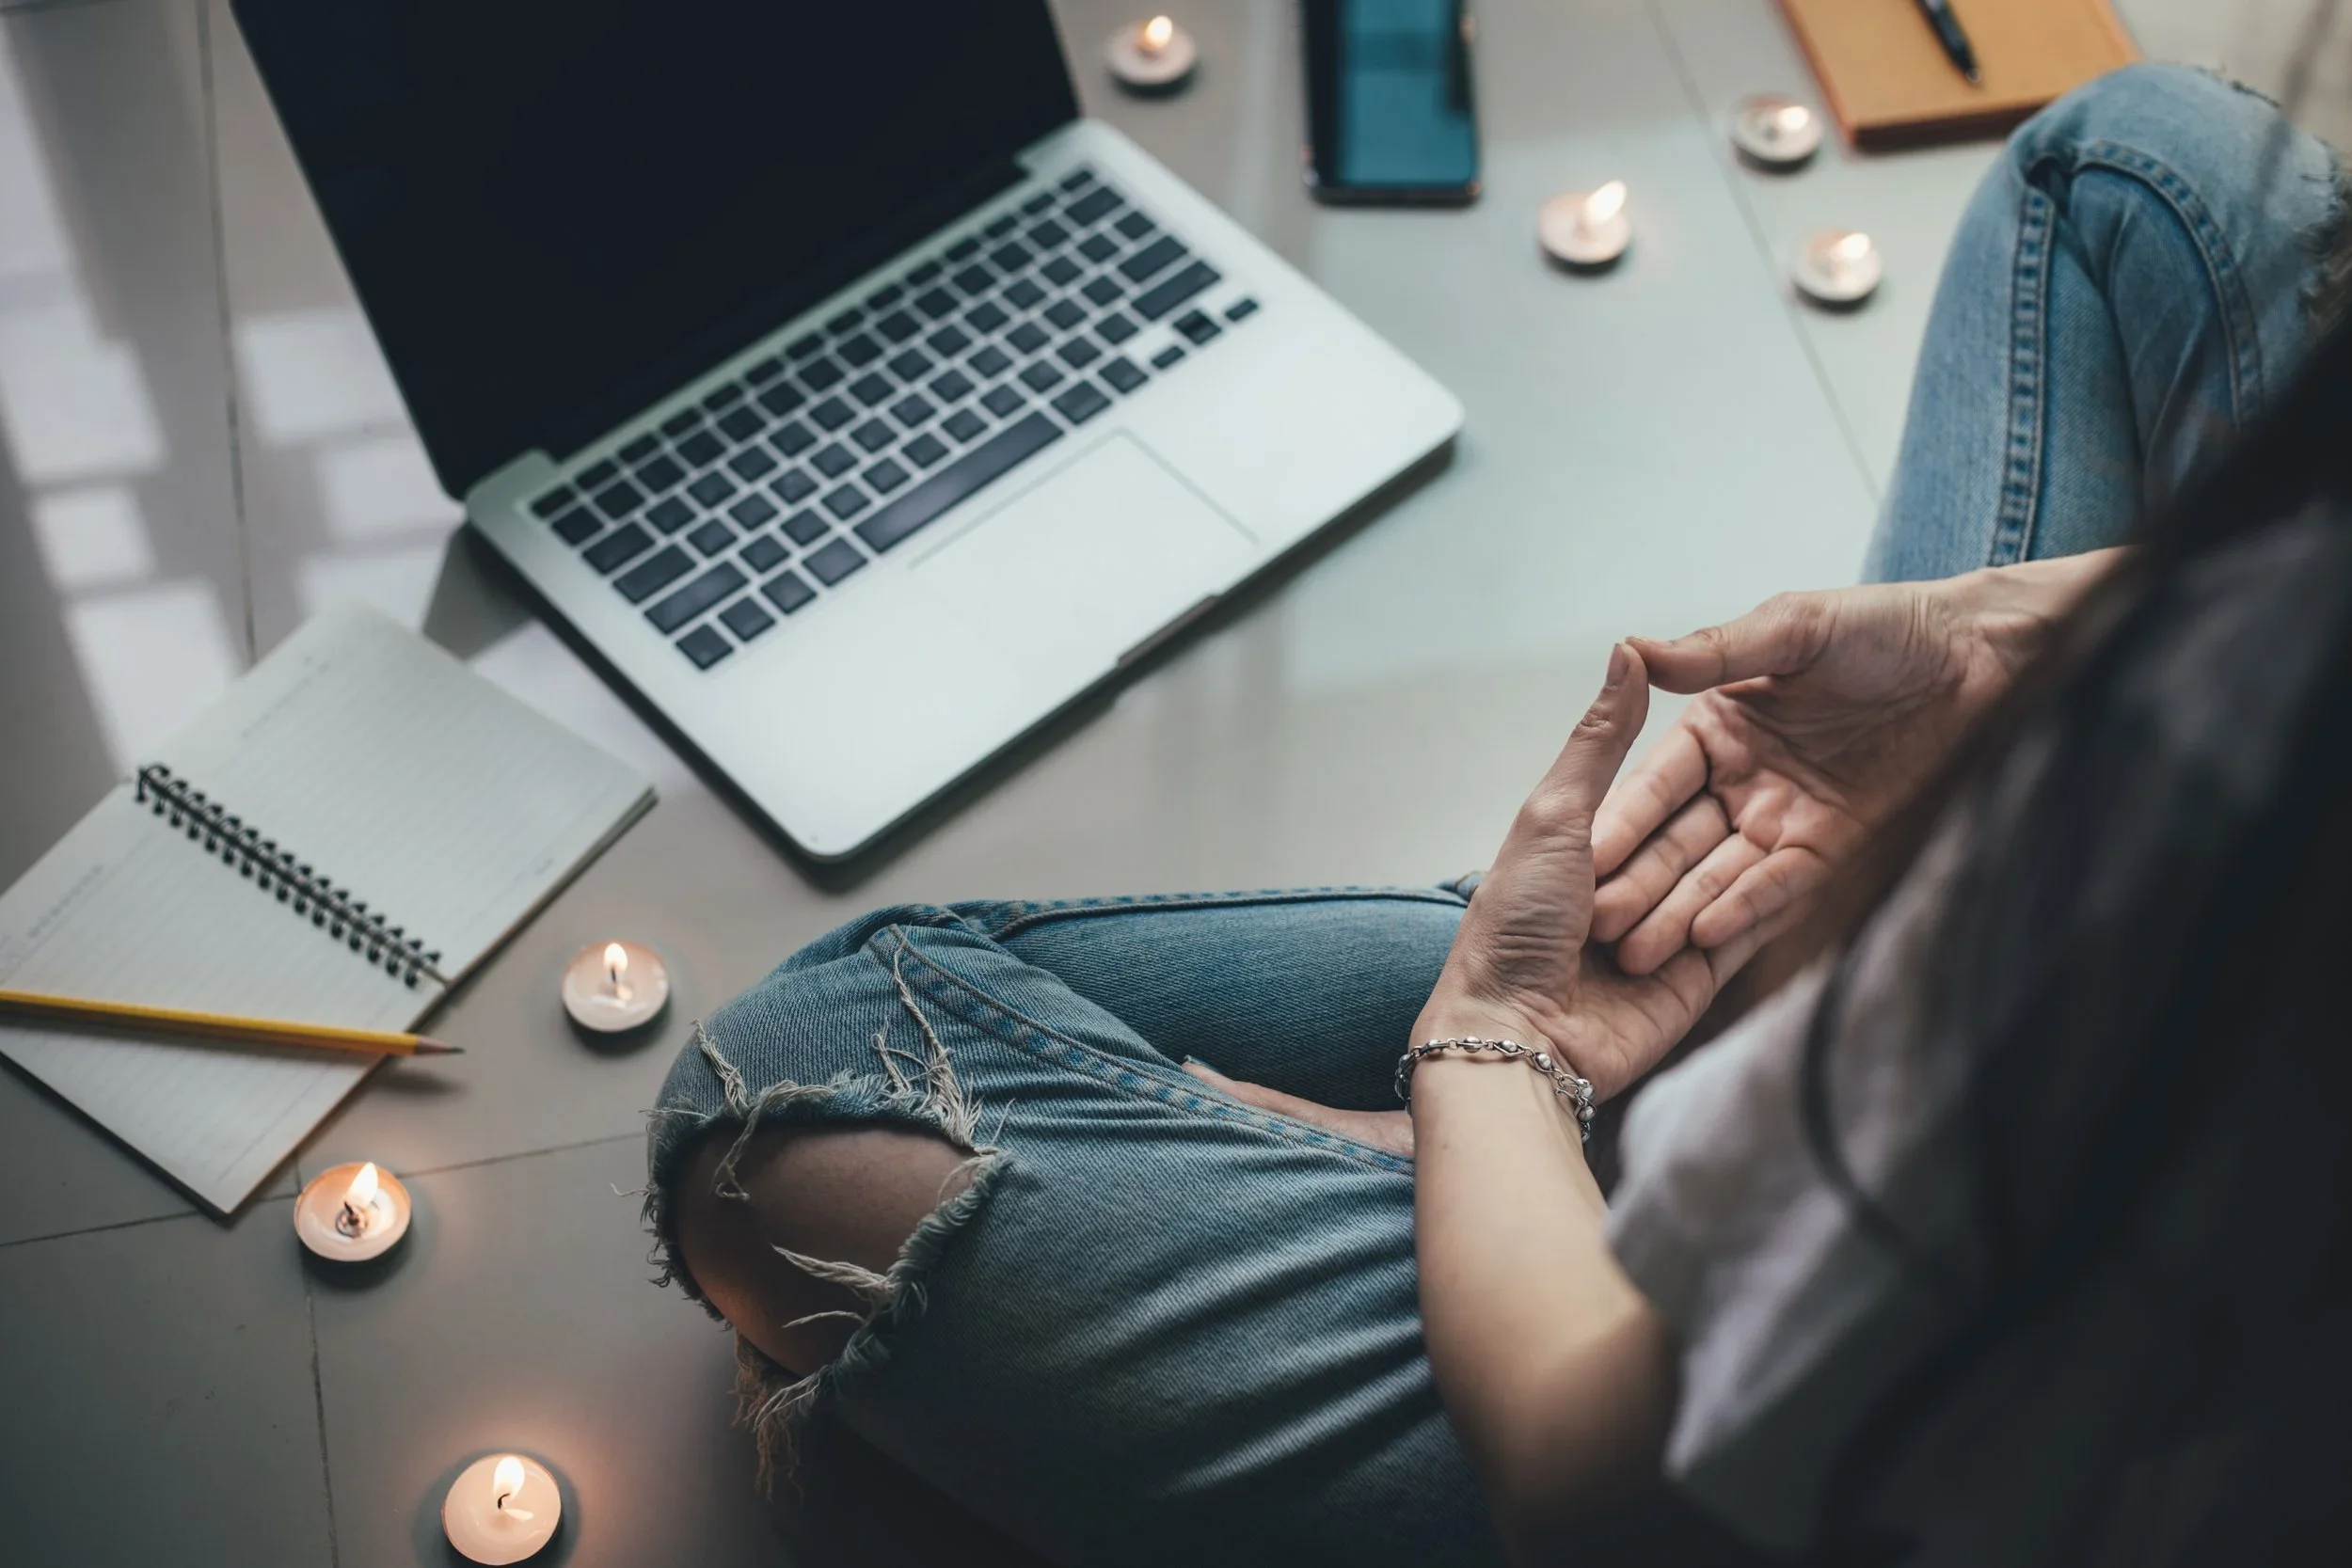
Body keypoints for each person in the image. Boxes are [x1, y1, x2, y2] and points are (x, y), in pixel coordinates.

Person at [644, 65, 2352, 1565]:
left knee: (792, 1088)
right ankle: (1580, 1126)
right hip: (2095, 985)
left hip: (1824, 1441)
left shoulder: (2094, 1095)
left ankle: (1552, 1155)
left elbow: (1593, 1496)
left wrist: (1495, 1049)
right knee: (2141, 169)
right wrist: (2008, 649)